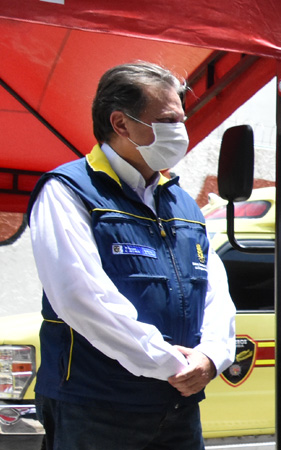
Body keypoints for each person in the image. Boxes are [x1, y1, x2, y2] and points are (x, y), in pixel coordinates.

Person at [27, 62, 237, 450]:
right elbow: (80, 297)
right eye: (168, 120)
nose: (181, 131)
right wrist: (166, 362)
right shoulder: (69, 191)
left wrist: (211, 356)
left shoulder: (182, 203)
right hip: (96, 409)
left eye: (182, 120)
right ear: (121, 124)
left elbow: (214, 293)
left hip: (178, 406)